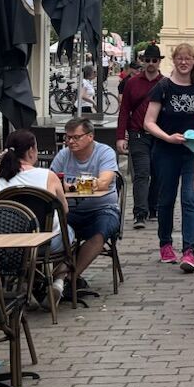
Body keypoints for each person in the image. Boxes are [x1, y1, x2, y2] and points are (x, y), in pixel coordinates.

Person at [142, 42, 194, 272]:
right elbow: (148, 122)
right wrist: (167, 137)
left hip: (193, 152)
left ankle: (189, 250)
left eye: (188, 58)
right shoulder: (163, 87)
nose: (184, 62)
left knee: (190, 200)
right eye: (180, 58)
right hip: (166, 150)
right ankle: (165, 243)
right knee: (167, 199)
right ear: (174, 59)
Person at [51, 116, 121, 292]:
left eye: (76, 137)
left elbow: (104, 182)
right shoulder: (63, 155)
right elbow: (50, 181)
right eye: (68, 137)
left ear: (90, 136)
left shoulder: (105, 152)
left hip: (103, 208)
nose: (70, 142)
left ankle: (68, 280)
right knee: (53, 228)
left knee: (99, 232)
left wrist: (70, 187)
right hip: (70, 209)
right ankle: (54, 278)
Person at [116, 45, 162, 230]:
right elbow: (124, 111)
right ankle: (139, 213)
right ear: (143, 61)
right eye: (148, 60)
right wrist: (121, 137)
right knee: (142, 174)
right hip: (137, 134)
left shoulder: (165, 83)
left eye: (154, 60)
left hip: (159, 136)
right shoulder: (132, 83)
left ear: (159, 62)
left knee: (158, 174)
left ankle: (153, 208)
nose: (151, 64)